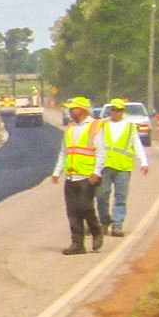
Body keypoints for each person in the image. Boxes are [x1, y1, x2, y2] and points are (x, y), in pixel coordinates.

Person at [59, 96, 104, 254]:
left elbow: (101, 152)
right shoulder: (70, 128)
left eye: (73, 108)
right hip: (71, 177)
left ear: (83, 110)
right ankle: (77, 244)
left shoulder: (94, 127)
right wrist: (57, 172)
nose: (71, 111)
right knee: (72, 211)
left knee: (85, 207)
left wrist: (96, 172)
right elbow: (64, 152)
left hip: (87, 177)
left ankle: (96, 231)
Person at [98, 96, 149, 235]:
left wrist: (144, 162)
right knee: (102, 195)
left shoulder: (130, 127)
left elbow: (137, 145)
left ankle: (117, 225)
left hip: (123, 167)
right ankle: (104, 221)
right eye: (113, 109)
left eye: (118, 110)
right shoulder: (102, 125)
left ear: (123, 111)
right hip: (105, 165)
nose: (115, 112)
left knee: (120, 197)